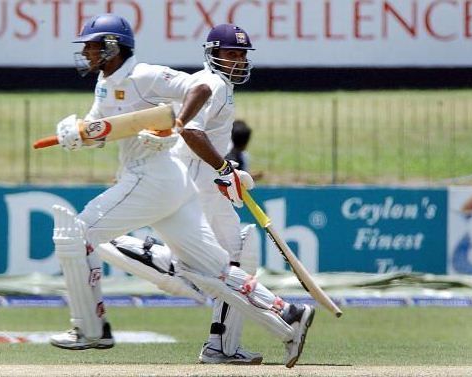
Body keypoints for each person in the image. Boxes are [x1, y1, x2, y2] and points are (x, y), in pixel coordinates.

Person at [50, 14, 313, 369]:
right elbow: (104, 131)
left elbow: (199, 89)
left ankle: (90, 329)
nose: (86, 51)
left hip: (151, 178)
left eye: (93, 45)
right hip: (172, 184)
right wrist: (78, 135)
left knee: (76, 235)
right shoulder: (104, 84)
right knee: (216, 270)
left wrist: (175, 126)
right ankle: (289, 314)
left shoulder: (143, 74)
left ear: (112, 46)